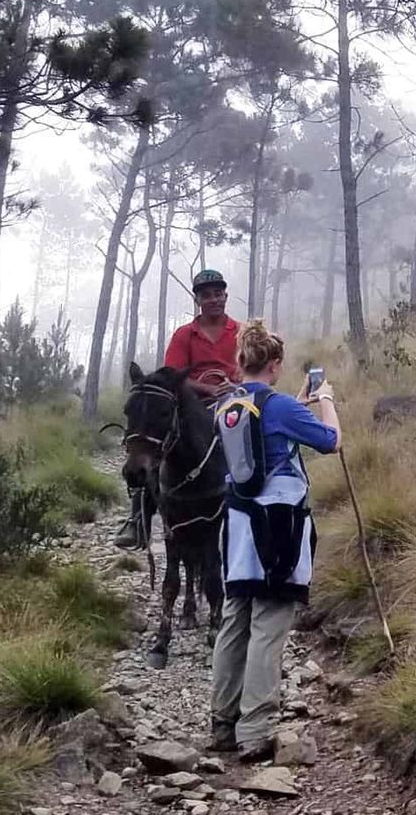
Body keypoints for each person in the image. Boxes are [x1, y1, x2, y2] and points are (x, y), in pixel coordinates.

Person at [209, 320, 341, 762]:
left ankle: (222, 723)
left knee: (235, 622)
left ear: (241, 361)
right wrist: (326, 401)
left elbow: (261, 439)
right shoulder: (280, 406)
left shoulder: (227, 405)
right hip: (278, 526)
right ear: (275, 363)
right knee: (268, 626)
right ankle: (255, 731)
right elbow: (331, 441)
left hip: (237, 529)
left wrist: (296, 405)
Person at [115, 269, 240, 549]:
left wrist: (234, 384)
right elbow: (172, 375)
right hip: (192, 403)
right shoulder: (184, 335)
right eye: (206, 295)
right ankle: (138, 517)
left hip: (233, 399)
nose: (213, 299)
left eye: (218, 294)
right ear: (198, 301)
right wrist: (207, 389)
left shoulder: (240, 332)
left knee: (256, 435)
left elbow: (251, 366)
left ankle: (259, 505)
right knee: (159, 438)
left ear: (225, 296)